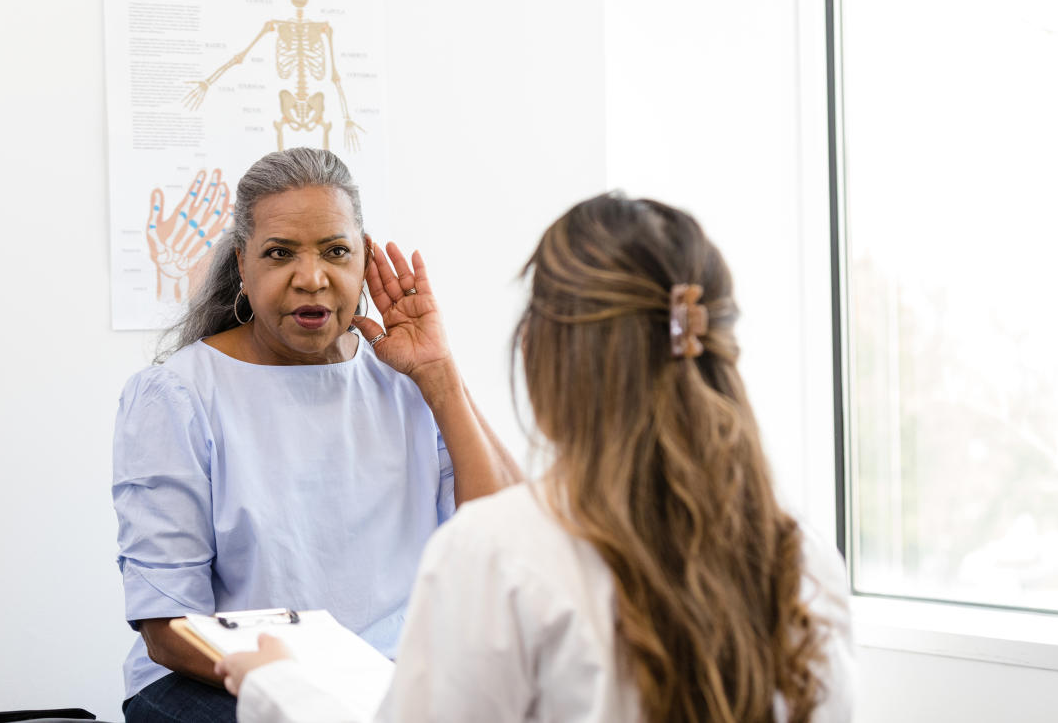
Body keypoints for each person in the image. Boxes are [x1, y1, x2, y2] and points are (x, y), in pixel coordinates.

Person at [216, 194, 856, 722]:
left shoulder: (498, 554)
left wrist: (277, 687)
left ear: (544, 353)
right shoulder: (798, 554)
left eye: (334, 251)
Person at [112, 147, 521, 723]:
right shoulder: (176, 396)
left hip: (388, 679)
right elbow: (170, 627)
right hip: (220, 678)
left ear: (365, 262)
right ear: (242, 266)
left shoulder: (408, 381)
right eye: (280, 254)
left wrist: (440, 377)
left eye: (336, 252)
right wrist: (311, 691)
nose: (311, 278)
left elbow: (510, 543)